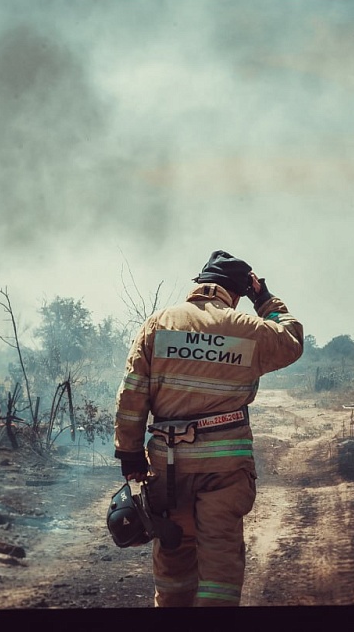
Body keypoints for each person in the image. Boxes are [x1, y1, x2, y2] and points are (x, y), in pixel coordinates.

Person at [113, 250, 303, 607]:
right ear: (237, 291)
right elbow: (290, 339)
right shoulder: (249, 330)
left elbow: (132, 392)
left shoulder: (158, 323)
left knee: (173, 559)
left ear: (200, 285)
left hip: (168, 469)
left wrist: (129, 454)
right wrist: (263, 298)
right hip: (225, 472)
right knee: (219, 566)